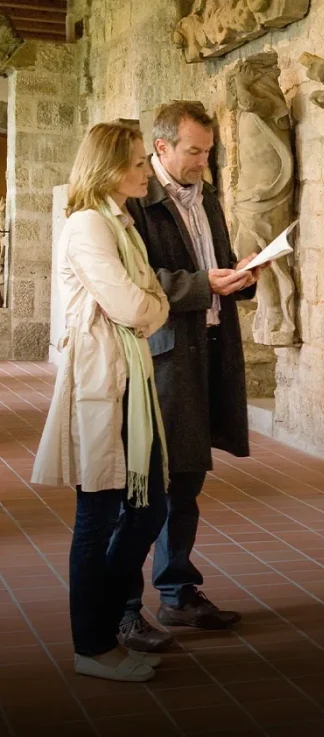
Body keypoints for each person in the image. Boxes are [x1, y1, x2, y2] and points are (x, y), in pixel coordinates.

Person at [118, 100, 262, 653]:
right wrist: (205, 284)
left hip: (208, 347)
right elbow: (141, 279)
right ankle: (125, 608)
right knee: (147, 484)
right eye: (194, 150)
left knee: (188, 478)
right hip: (163, 355)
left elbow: (214, 264)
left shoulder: (208, 197)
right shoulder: (139, 202)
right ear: (162, 148)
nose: (205, 159)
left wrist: (243, 275)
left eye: (208, 150)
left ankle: (177, 591)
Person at [31, 123, 170, 683]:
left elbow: (145, 300)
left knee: (148, 507)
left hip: (130, 379)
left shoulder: (121, 221)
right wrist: (151, 305)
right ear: (109, 167)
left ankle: (105, 625)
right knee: (98, 517)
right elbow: (137, 306)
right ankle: (91, 644)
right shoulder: (89, 224)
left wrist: (149, 304)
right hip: (105, 380)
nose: (144, 170)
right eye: (137, 162)